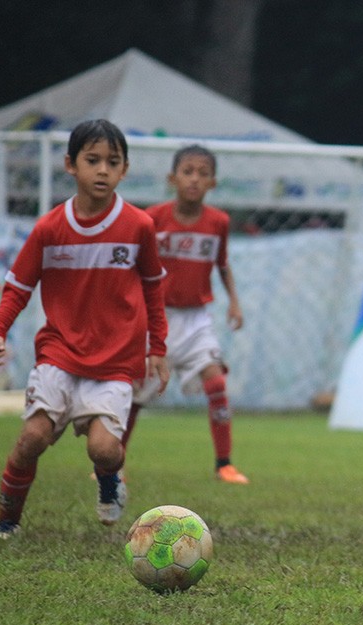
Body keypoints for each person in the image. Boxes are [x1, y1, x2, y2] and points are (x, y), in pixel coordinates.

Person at [0, 119, 169, 538]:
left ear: (124, 170)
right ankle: (7, 522)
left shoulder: (138, 226)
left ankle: (109, 478)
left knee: (103, 449)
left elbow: (154, 288)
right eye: (92, 160)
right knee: (33, 437)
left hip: (115, 360)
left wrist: (158, 346)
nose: (102, 170)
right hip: (59, 353)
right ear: (71, 165)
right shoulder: (50, 228)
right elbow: (17, 288)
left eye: (112, 162)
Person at [120, 144, 249, 485]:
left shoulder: (218, 222)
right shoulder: (152, 218)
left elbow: (222, 264)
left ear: (213, 183)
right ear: (172, 178)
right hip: (156, 319)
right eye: (187, 172)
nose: (194, 179)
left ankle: (224, 464)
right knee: (137, 393)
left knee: (216, 380)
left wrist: (234, 302)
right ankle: (112, 460)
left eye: (203, 174)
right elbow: (133, 266)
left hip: (196, 319)